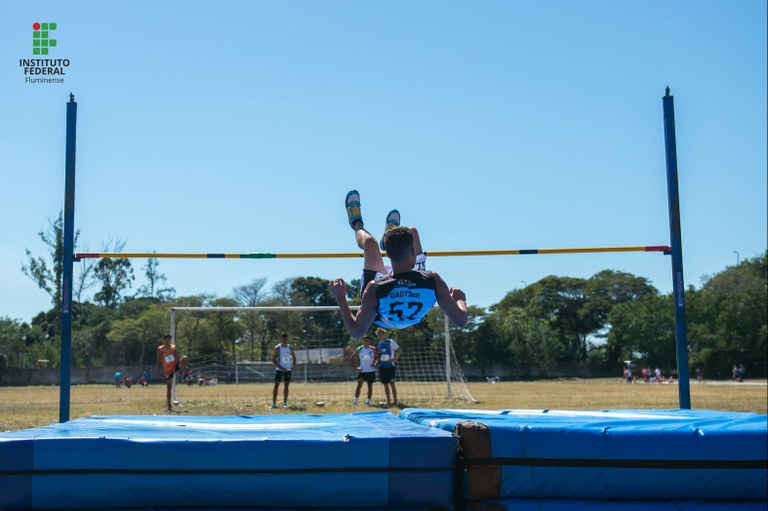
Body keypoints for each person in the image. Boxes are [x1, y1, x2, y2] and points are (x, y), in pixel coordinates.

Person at [329, 190, 468, 339]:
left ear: (387, 256)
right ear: (413, 252)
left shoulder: (373, 288)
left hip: (384, 305)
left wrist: (340, 297)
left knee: (370, 243)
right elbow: (461, 320)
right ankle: (387, 239)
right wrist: (460, 300)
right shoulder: (432, 280)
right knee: (412, 231)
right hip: (405, 289)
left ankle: (357, 224)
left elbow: (357, 332)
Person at [156, 333, 188, 412]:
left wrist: (181, 364)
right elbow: (158, 361)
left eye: (169, 339)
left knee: (185, 358)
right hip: (167, 370)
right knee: (169, 388)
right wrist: (160, 370)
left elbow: (177, 356)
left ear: (170, 340)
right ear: (164, 340)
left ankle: (183, 372)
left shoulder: (173, 347)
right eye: (166, 339)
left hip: (174, 365)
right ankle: (169, 406)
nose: (167, 341)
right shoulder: (160, 349)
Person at [349, 335, 378, 405]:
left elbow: (378, 357)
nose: (366, 341)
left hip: (371, 371)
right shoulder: (360, 348)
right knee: (359, 385)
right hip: (362, 371)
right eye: (365, 340)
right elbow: (351, 358)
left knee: (370, 386)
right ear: (363, 341)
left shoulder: (373, 349)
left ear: (370, 341)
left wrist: (375, 364)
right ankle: (355, 401)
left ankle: (368, 401)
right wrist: (356, 367)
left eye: (368, 340)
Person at [375, 327, 401, 406]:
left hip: (390, 366)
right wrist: (377, 361)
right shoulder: (378, 344)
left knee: (392, 383)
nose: (380, 335)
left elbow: (399, 350)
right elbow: (378, 355)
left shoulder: (390, 342)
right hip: (382, 366)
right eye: (378, 334)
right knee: (385, 384)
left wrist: (395, 359)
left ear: (384, 334)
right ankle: (388, 401)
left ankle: (395, 400)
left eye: (381, 334)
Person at [270, 333, 296, 409]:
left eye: (285, 338)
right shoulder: (277, 347)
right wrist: (281, 368)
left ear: (287, 338)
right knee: (276, 385)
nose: (284, 339)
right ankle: (274, 404)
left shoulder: (290, 347)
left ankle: (285, 403)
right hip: (279, 369)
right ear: (281, 338)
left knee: (286, 386)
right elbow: (273, 360)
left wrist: (293, 365)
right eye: (283, 338)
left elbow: (294, 357)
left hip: (288, 370)